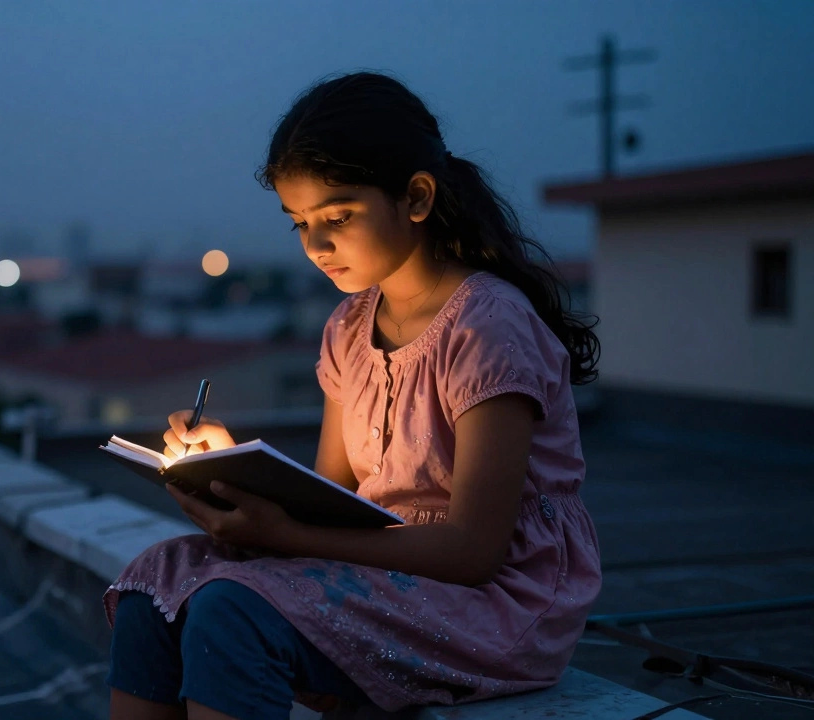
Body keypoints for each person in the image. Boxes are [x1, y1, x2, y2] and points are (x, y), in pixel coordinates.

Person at [104, 71, 603, 719]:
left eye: (337, 217)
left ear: (417, 197)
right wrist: (233, 471)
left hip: (496, 603)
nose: (316, 245)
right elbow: (333, 501)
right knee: (157, 585)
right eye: (299, 224)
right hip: (384, 573)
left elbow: (474, 551)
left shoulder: (487, 326)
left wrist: (282, 534)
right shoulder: (347, 328)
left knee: (230, 611)